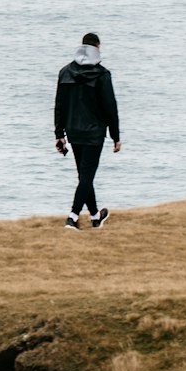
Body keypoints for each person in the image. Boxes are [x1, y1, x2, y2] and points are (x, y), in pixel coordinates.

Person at [54, 32, 121, 230]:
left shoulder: (65, 72)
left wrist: (59, 134)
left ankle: (95, 216)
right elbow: (110, 107)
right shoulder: (102, 74)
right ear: (97, 48)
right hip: (94, 133)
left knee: (84, 175)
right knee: (86, 176)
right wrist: (116, 136)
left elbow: (59, 105)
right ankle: (73, 216)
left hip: (74, 131)